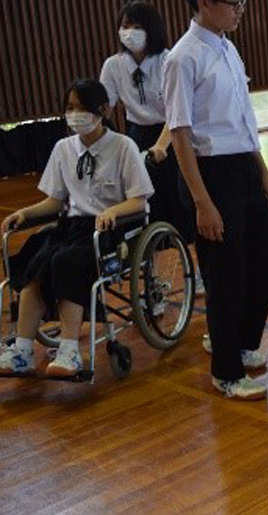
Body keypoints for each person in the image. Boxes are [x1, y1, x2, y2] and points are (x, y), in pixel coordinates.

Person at [163, 0, 268, 400]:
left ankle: (240, 344)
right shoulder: (182, 58)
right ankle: (226, 373)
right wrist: (202, 201)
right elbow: (180, 132)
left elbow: (243, 117)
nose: (241, 10)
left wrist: (261, 171)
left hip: (244, 166)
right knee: (225, 276)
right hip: (209, 173)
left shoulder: (228, 47)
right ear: (205, 3)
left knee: (266, 263)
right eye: (234, 2)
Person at [0, 79, 154, 376]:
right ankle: (21, 351)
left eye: (82, 109)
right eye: (69, 108)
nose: (74, 115)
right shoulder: (63, 148)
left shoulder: (123, 146)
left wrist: (113, 211)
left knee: (66, 262)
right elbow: (55, 201)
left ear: (102, 110)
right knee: (35, 263)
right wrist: (25, 212)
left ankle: (70, 352)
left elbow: (139, 200)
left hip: (111, 227)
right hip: (72, 226)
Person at [100, 0, 202, 292]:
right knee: (145, 212)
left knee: (183, 206)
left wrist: (161, 147)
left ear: (152, 30)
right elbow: (104, 108)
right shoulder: (114, 65)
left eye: (137, 27)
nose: (129, 33)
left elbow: (177, 113)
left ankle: (197, 273)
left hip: (172, 136)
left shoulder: (169, 61)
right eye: (125, 26)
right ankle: (152, 281)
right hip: (137, 136)